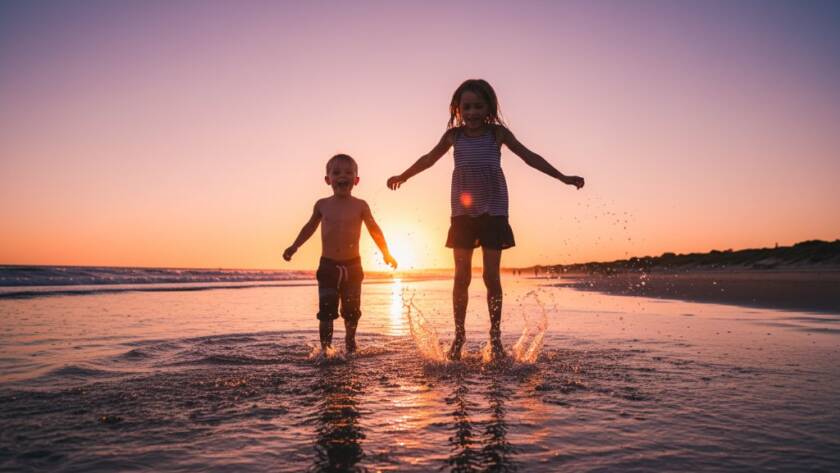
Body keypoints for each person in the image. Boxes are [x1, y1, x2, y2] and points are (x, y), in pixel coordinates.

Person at [387, 79, 584, 361]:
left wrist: (562, 177)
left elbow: (529, 157)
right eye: (466, 107)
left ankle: (495, 338)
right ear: (457, 109)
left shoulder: (498, 135)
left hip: (494, 212)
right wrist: (403, 176)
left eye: (478, 106)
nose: (472, 112)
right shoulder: (453, 137)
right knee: (461, 277)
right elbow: (428, 159)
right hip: (462, 215)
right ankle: (459, 337)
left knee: (491, 277)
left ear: (489, 107)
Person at [284, 154, 397, 353]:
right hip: (328, 266)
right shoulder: (322, 205)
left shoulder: (360, 205)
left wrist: (386, 253)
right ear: (328, 179)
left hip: (353, 266)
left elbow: (374, 230)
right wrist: (295, 246)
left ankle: (350, 342)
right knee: (326, 311)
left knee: (352, 312)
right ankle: (326, 349)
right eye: (336, 173)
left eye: (348, 172)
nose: (342, 176)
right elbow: (309, 227)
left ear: (356, 180)